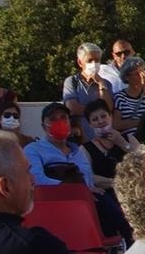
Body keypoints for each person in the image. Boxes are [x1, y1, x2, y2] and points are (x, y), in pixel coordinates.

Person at [24, 102, 130, 241]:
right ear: (44, 126)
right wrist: (74, 190)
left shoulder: (77, 151)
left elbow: (87, 180)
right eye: (53, 119)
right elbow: (38, 180)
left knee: (105, 200)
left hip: (84, 203)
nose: (59, 122)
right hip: (53, 204)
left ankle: (121, 241)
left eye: (63, 118)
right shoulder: (33, 150)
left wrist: (86, 189)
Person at [63, 42, 115, 143]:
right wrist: (98, 113)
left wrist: (101, 84)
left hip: (105, 140)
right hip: (81, 140)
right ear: (80, 62)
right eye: (90, 60)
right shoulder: (72, 81)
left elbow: (108, 108)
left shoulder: (106, 84)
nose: (94, 64)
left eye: (97, 60)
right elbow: (72, 108)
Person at [111, 55, 145, 132]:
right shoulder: (119, 97)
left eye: (143, 72)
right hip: (129, 139)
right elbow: (116, 124)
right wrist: (142, 122)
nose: (142, 76)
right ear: (127, 77)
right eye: (137, 73)